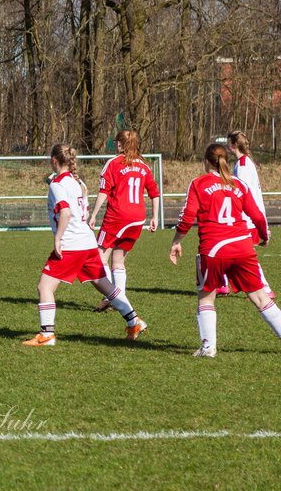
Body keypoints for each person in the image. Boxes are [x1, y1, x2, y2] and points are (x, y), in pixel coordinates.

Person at [21, 144, 147, 346]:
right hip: (88, 242)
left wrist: (57, 239)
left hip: (71, 243)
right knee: (104, 285)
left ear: (54, 161)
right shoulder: (79, 182)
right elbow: (83, 212)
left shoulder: (57, 184)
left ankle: (46, 335)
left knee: (44, 287)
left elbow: (66, 213)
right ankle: (134, 320)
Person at [170, 143, 279, 357]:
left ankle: (208, 347)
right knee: (261, 298)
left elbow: (187, 216)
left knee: (206, 298)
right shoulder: (238, 184)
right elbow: (257, 216)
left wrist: (176, 240)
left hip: (213, 250)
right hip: (242, 248)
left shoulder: (198, 184)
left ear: (206, 161)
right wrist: (264, 236)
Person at [88, 130, 160, 312]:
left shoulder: (113, 163)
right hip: (137, 218)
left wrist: (93, 214)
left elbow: (104, 191)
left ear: (121, 144)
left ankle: (111, 296)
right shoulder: (144, 166)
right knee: (118, 261)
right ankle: (120, 299)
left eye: (116, 142)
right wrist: (155, 217)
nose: (115, 145)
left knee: (99, 257)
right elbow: (154, 192)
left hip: (117, 216)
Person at [228, 130, 272, 297]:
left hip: (246, 219)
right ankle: (222, 284)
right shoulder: (243, 163)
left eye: (228, 143)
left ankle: (265, 288)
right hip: (248, 217)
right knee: (231, 252)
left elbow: (244, 194)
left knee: (245, 256)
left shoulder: (244, 166)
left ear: (233, 145)